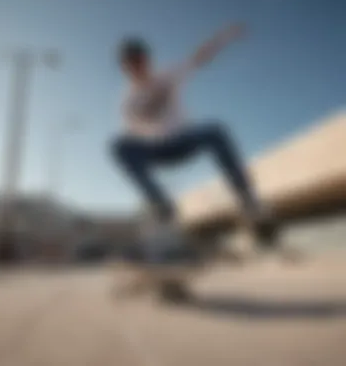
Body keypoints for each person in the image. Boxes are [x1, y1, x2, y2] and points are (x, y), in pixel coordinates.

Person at [112, 23, 276, 263]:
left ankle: (248, 202)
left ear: (147, 60)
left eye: (140, 61)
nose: (138, 67)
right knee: (118, 146)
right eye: (132, 64)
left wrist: (224, 36)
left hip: (183, 141)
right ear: (125, 68)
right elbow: (131, 144)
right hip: (156, 151)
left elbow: (200, 57)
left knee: (215, 131)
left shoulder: (168, 73)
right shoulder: (127, 101)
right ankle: (161, 205)